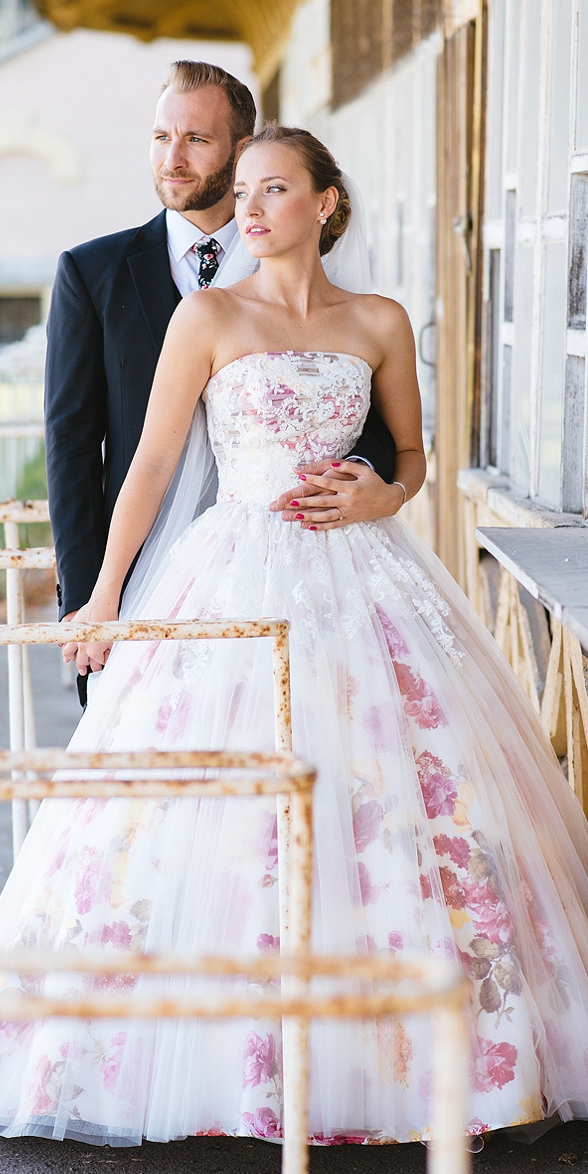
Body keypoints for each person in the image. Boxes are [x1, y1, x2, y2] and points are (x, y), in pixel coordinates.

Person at [0, 125, 588, 1146]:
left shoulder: (379, 319)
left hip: (363, 578)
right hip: (231, 574)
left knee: (388, 789)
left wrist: (379, 495)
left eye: (273, 190)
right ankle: (200, 1058)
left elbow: (410, 456)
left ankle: (407, 1061)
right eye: (242, 190)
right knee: (204, 812)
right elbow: (152, 464)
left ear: (325, 204)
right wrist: (103, 596)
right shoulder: (207, 315)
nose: (247, 208)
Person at [44, 60, 398, 703]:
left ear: (242, 150)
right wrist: (90, 596)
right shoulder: (91, 273)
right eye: (160, 137)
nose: (171, 159)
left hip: (313, 569)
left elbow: (369, 419)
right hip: (150, 576)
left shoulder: (328, 279)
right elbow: (72, 447)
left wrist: (378, 488)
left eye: (196, 140)